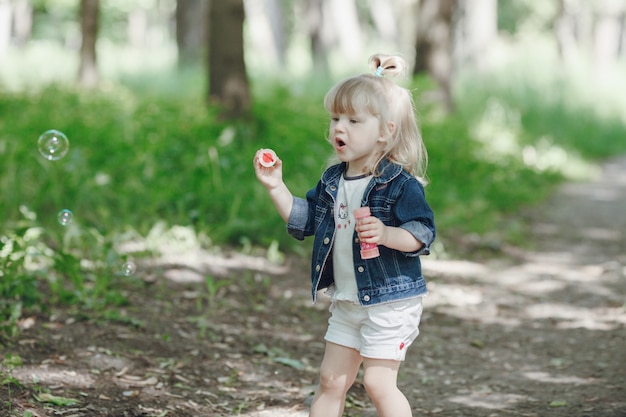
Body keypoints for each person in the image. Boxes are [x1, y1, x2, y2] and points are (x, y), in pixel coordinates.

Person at [253, 53, 436, 417]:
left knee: (378, 383)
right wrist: (276, 187)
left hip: (389, 302)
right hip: (348, 300)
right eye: (336, 118)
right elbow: (305, 220)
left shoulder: (399, 184)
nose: (340, 127)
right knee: (331, 380)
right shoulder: (332, 180)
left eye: (354, 120)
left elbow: (421, 233)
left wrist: (386, 233)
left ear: (386, 131)